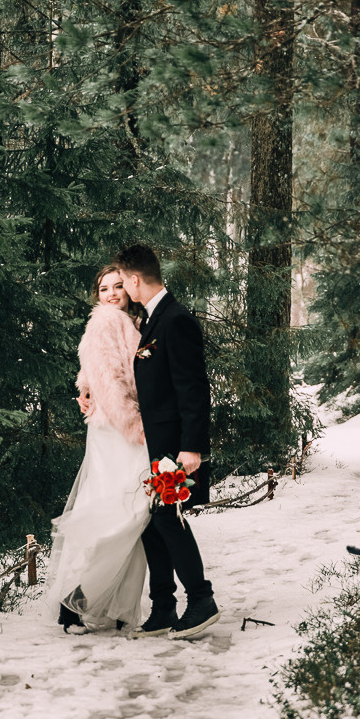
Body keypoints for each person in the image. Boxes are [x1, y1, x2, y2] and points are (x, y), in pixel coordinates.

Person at [114, 244, 221, 640]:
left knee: (166, 519)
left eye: (124, 281)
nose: (123, 289)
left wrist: (191, 447)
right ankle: (163, 608)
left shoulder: (175, 320)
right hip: (154, 446)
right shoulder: (151, 320)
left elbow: (193, 389)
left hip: (176, 447)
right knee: (151, 524)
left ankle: (201, 600)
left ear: (136, 279)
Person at [45, 266, 150, 633]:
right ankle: (73, 603)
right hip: (118, 430)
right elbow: (111, 383)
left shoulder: (129, 322)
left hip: (118, 426)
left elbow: (93, 373)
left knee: (126, 513)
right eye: (104, 288)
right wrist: (136, 427)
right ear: (97, 295)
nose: (111, 293)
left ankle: (108, 603)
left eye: (118, 286)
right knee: (119, 513)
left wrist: (84, 389)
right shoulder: (107, 321)